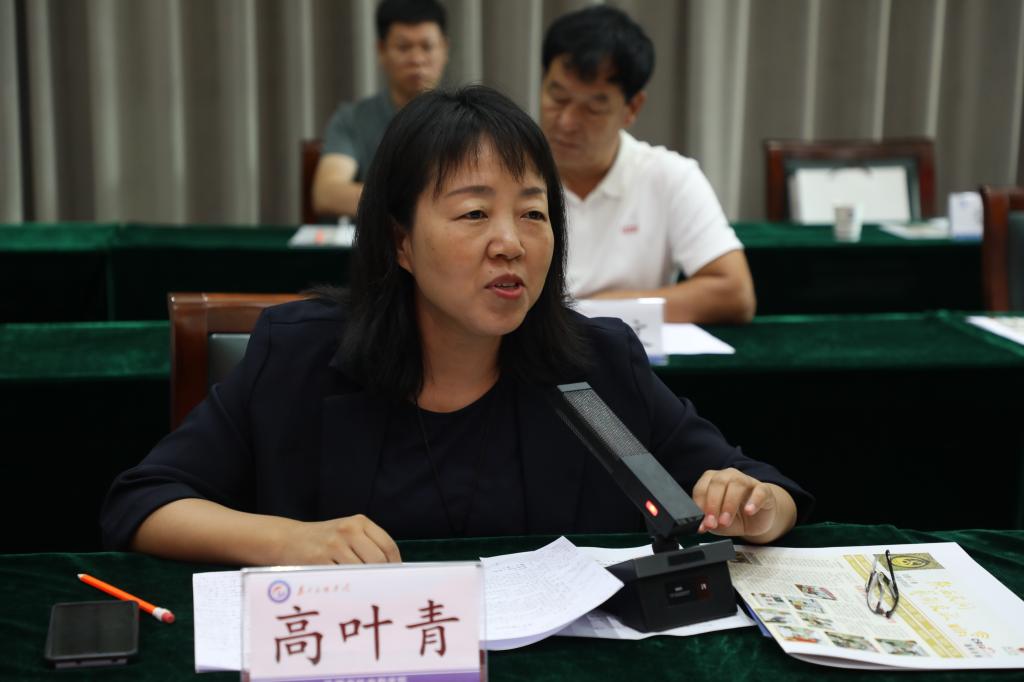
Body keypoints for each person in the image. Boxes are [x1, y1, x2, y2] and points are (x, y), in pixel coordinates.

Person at [101, 86, 811, 567]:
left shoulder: (597, 363)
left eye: (532, 213)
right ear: (401, 242)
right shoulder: (299, 355)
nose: (511, 243)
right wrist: (289, 542)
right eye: (474, 214)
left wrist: (756, 508)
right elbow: (143, 504)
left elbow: (763, 489)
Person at [540, 6, 756, 324]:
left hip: (624, 350)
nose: (567, 122)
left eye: (593, 108)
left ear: (632, 108)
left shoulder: (669, 176)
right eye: (557, 98)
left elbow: (734, 293)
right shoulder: (510, 172)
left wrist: (587, 312)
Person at [311, 0, 448, 218]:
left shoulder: (467, 119)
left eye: (427, 47)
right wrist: (419, 203)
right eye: (403, 47)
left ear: (444, 49)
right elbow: (328, 194)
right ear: (381, 50)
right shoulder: (353, 120)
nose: (416, 59)